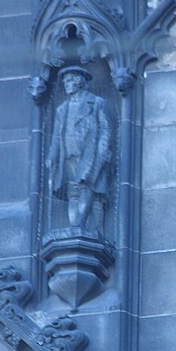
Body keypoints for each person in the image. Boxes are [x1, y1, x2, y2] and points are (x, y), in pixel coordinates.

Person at [46, 66, 111, 229]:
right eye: (65, 81)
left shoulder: (96, 103)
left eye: (69, 81)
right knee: (73, 192)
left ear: (79, 82)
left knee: (88, 188)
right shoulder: (62, 109)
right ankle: (75, 227)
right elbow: (56, 136)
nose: (66, 84)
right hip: (68, 156)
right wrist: (52, 156)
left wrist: (101, 153)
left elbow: (105, 129)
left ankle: (85, 225)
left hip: (90, 155)